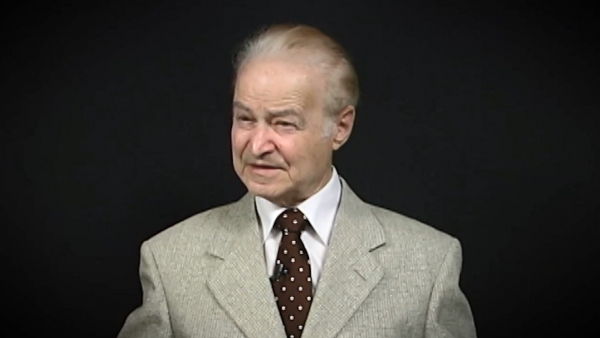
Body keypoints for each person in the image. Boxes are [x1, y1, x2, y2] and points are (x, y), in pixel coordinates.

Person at [117, 23, 477, 338]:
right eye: (245, 119)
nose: (257, 145)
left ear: (341, 126)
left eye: (284, 123)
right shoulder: (169, 261)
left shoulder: (428, 264)